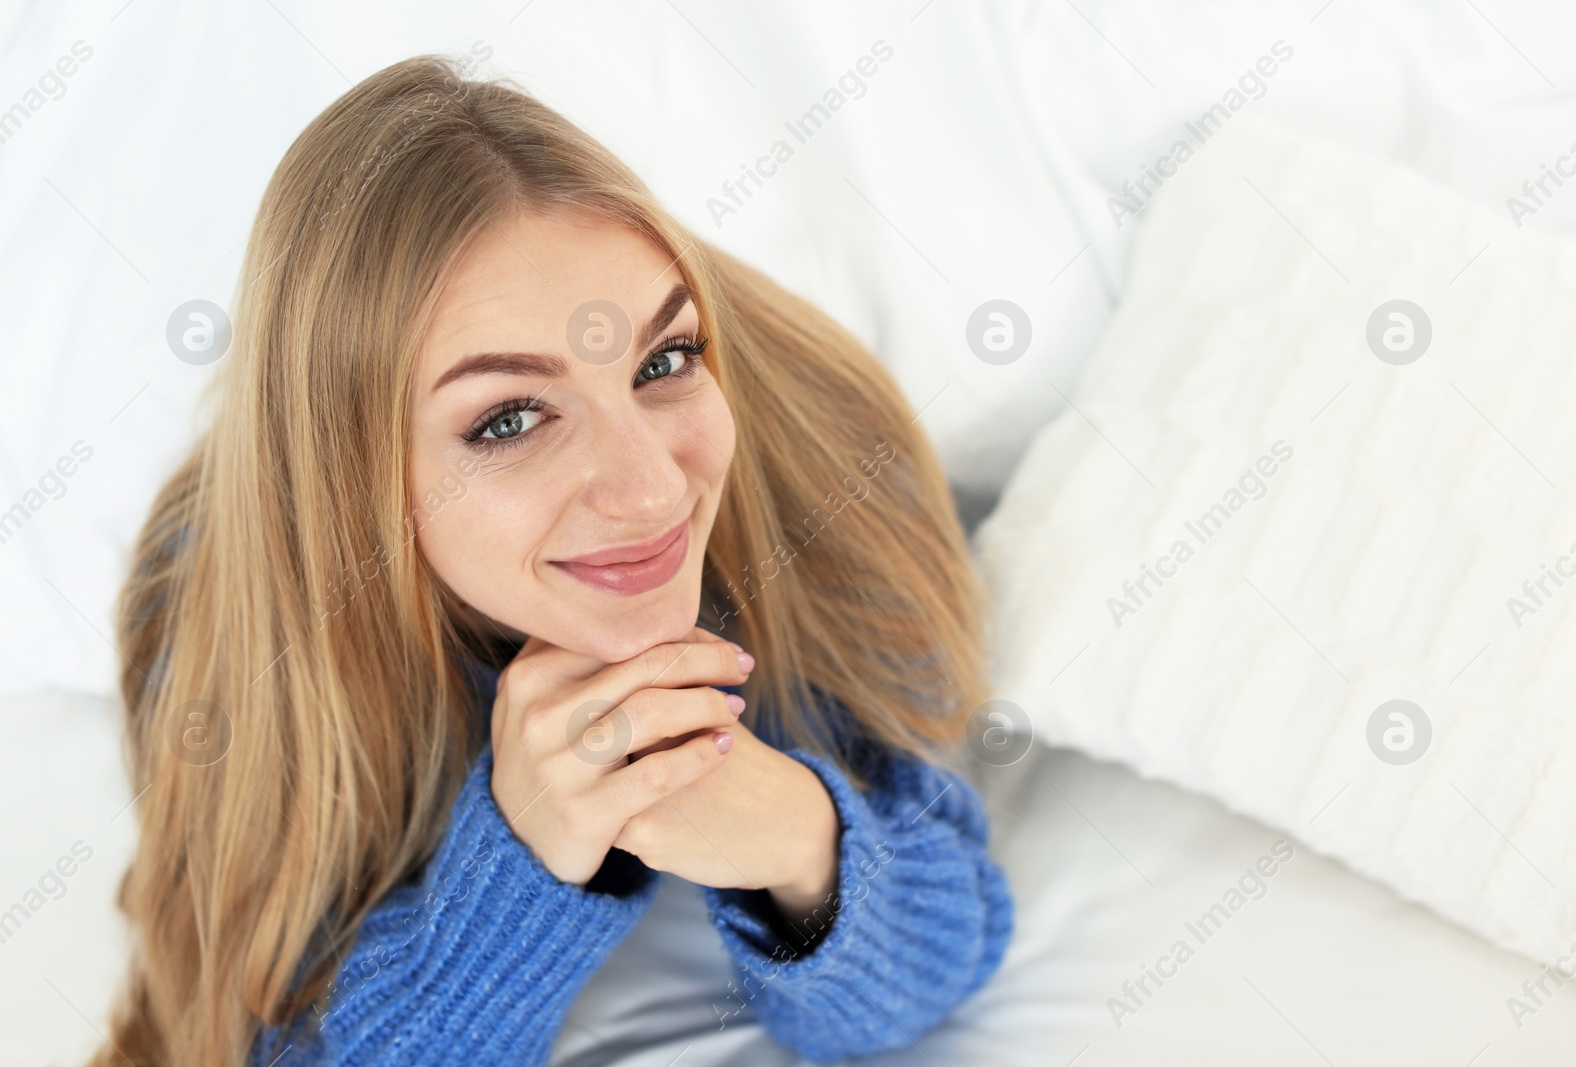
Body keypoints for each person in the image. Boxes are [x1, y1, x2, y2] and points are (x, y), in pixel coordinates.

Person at [92, 54, 1012, 1066]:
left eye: (662, 361)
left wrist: (801, 840)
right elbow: (253, 1032)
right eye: (509, 419)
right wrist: (523, 856)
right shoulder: (212, 604)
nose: (654, 490)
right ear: (358, 485)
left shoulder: (824, 456)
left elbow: (935, 959)